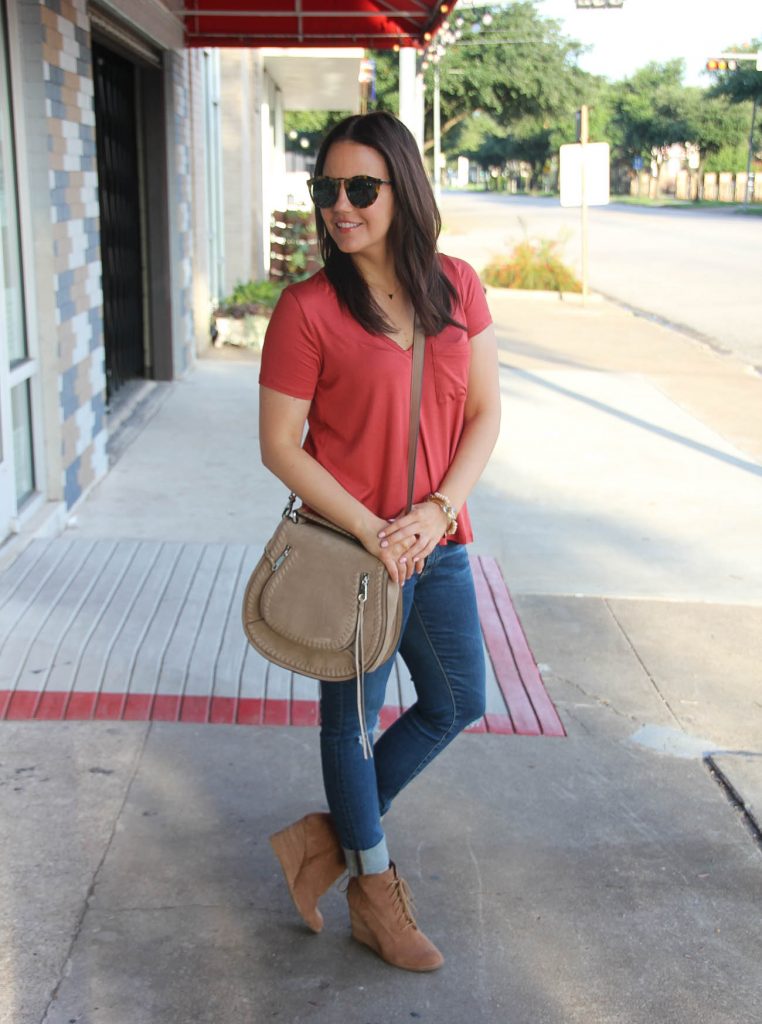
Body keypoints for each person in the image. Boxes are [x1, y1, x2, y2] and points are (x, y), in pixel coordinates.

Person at [259, 111, 500, 972]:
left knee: (457, 700)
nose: (341, 206)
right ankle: (371, 885)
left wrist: (434, 513)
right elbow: (280, 446)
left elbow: (483, 414)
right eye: (327, 189)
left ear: (404, 188)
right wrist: (374, 530)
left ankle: (325, 839)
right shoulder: (307, 310)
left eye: (361, 188)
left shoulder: (458, 287)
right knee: (352, 727)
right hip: (347, 557)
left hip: (440, 541)